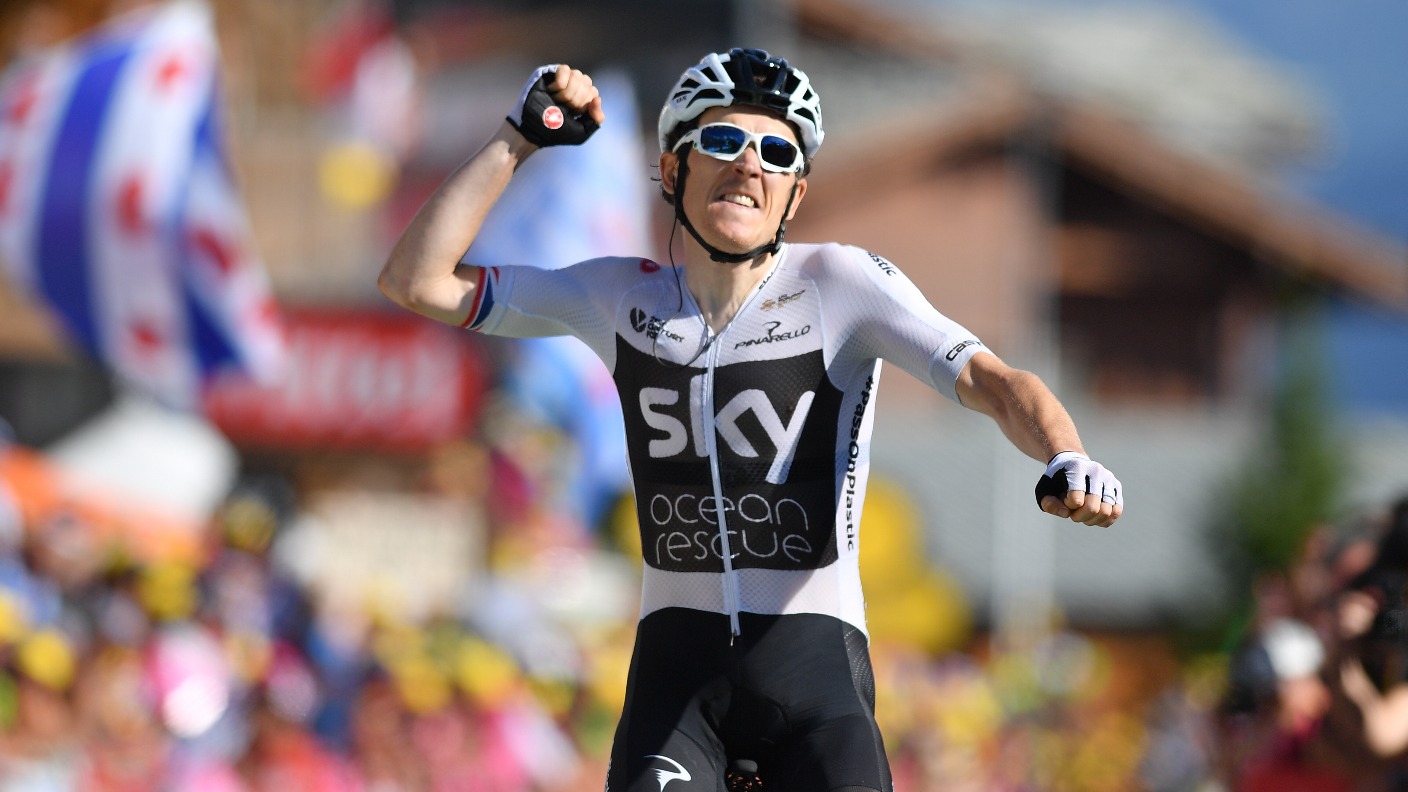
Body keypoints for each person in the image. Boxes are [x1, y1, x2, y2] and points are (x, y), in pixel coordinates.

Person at [378, 48, 1123, 792]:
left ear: (794, 196)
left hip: (817, 683)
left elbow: (997, 381)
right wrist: (520, 137)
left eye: (775, 152)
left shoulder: (841, 284)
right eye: (723, 143)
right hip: (677, 690)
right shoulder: (618, 297)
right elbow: (414, 280)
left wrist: (1066, 455)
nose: (749, 166)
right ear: (673, 173)